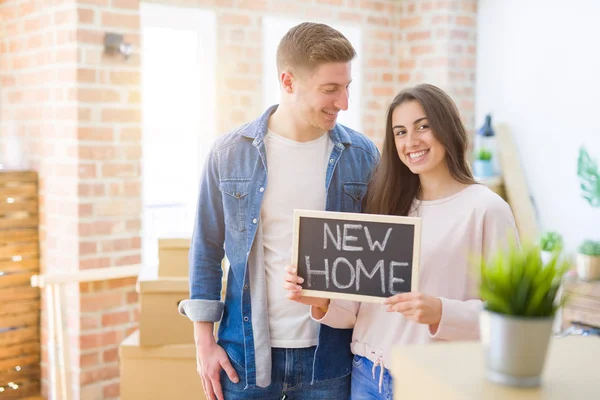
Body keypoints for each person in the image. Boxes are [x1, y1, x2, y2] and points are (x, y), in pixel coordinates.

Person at [178, 22, 380, 400]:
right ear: (288, 82)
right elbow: (206, 250)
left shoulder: (363, 157)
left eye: (347, 86)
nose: (344, 102)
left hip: (331, 358)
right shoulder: (229, 154)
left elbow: (373, 260)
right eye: (330, 89)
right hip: (245, 358)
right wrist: (203, 344)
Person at [285, 83, 519, 399]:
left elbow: (513, 319)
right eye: (400, 132)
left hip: (437, 381)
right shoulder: (385, 205)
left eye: (423, 126)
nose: (411, 141)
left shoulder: (486, 209)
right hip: (369, 377)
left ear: (447, 128)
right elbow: (359, 310)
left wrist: (441, 312)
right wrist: (320, 299)